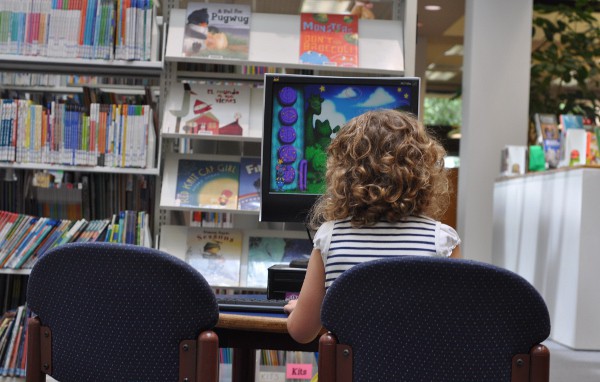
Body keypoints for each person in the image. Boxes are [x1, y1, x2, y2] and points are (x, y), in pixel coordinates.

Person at [283, 109, 461, 344]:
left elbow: (302, 332)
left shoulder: (331, 238)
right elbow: (460, 327)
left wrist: (302, 310)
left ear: (343, 174)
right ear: (423, 173)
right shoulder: (442, 241)